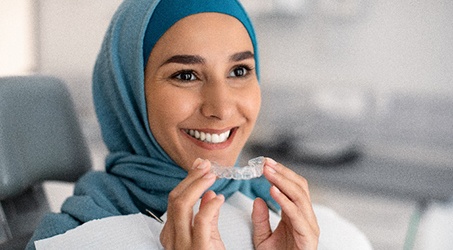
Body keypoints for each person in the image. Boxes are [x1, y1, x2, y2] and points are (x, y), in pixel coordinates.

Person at [27, 0, 372, 249]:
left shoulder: (297, 226)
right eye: (186, 75)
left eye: (239, 71)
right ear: (128, 92)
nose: (221, 108)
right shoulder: (73, 239)